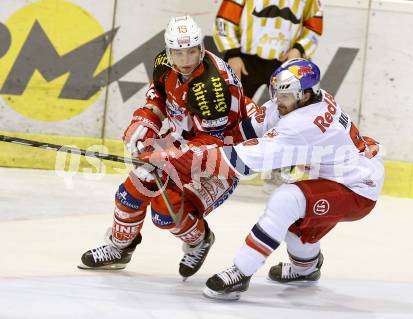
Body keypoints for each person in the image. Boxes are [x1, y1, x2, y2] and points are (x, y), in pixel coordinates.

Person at [140, 59, 384, 299]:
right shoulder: (306, 100)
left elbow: (241, 162)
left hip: (357, 190)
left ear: (305, 95)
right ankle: (306, 269)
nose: (277, 100)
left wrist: (180, 158)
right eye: (276, 92)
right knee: (297, 230)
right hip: (341, 175)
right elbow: (247, 130)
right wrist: (198, 142)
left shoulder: (302, 124)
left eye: (284, 95)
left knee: (287, 200)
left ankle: (241, 272)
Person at [78, 15, 253, 280]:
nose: (185, 60)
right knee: (132, 190)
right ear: (169, 51)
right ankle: (119, 247)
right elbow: (159, 96)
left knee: (166, 212)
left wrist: (166, 156)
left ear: (201, 50)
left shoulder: (211, 88)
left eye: (191, 52)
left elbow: (212, 143)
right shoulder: (163, 62)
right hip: (184, 139)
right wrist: (145, 121)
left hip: (222, 155)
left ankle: (199, 240)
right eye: (178, 53)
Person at [213, 0, 323, 99]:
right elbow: (224, 20)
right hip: (244, 61)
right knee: (232, 109)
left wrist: (299, 49)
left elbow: (314, 26)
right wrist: (232, 54)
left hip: (285, 62)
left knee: (289, 113)